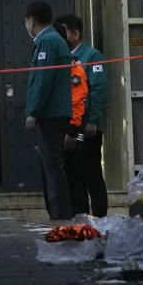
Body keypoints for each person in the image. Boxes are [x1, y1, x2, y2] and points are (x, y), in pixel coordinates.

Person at [54, 15, 109, 217]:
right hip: (70, 124)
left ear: (75, 34)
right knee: (74, 174)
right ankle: (80, 216)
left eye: (64, 32)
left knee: (91, 173)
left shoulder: (91, 56)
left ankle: (101, 218)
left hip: (87, 124)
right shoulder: (64, 58)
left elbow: (99, 89)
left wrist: (94, 119)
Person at [24, 1, 74, 220]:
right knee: (53, 167)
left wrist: (33, 111)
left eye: (26, 21)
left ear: (31, 20)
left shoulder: (46, 41)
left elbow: (43, 80)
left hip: (51, 113)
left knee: (53, 170)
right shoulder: (53, 39)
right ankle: (59, 215)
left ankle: (60, 217)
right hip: (56, 111)